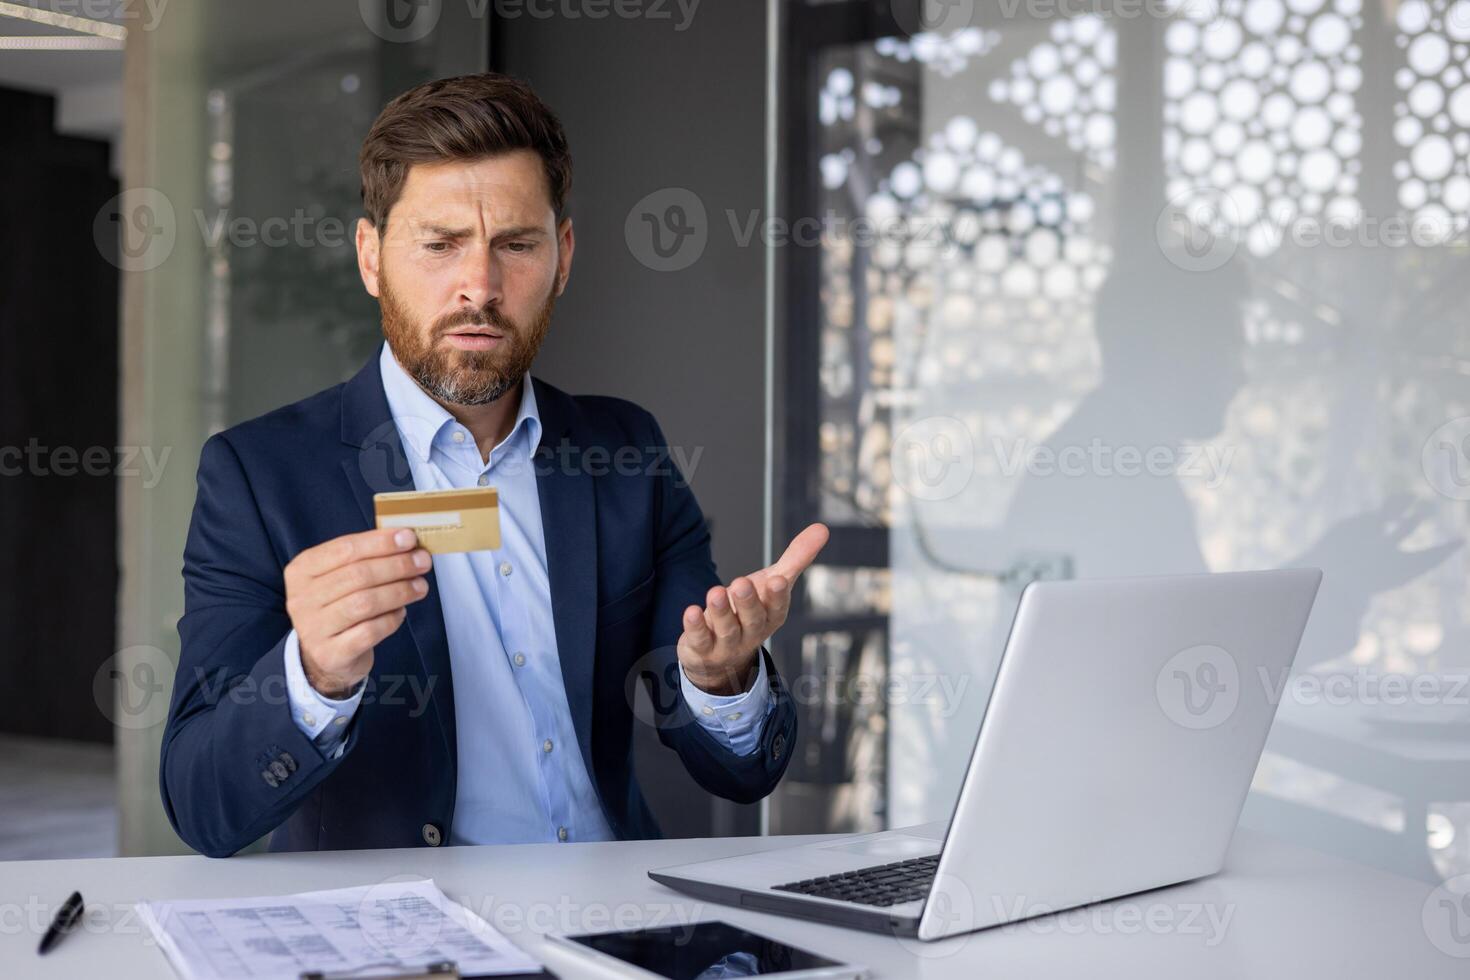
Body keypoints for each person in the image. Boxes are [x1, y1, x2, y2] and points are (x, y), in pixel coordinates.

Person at [159, 72, 827, 858]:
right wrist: (312, 675)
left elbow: (741, 772)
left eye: (515, 244)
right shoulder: (260, 476)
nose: (479, 286)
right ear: (371, 258)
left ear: (563, 256)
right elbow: (203, 808)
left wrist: (722, 681)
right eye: (439, 245)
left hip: (612, 927)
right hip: (403, 946)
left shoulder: (625, 452)